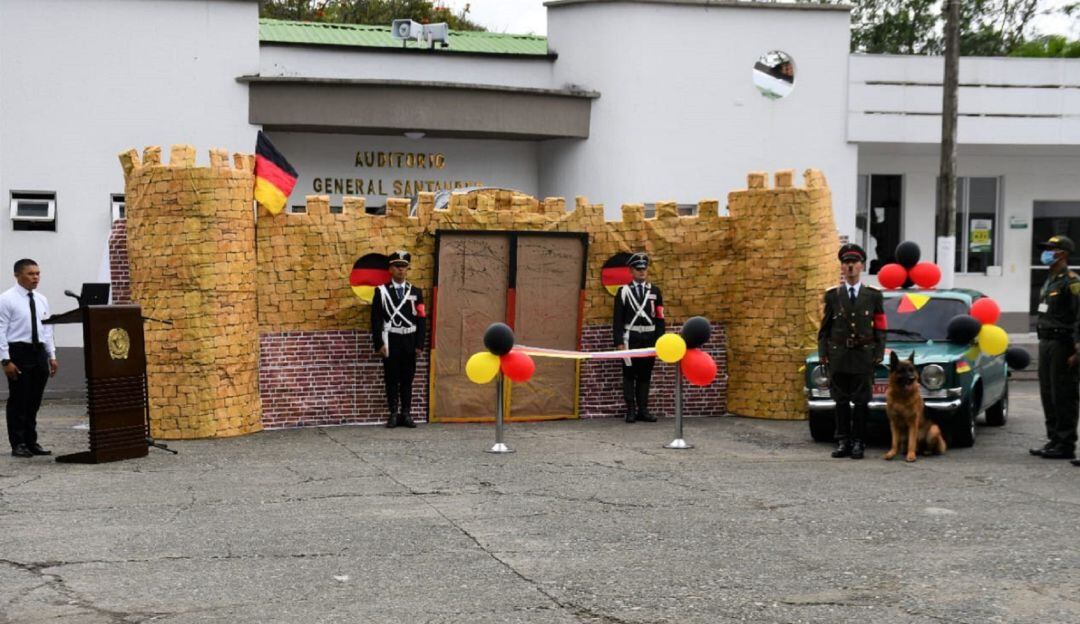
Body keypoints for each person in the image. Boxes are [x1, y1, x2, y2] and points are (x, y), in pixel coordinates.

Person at [818, 243, 886, 460]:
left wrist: (879, 352)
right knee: (840, 401)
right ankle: (843, 441)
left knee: (861, 402)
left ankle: (858, 441)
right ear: (841, 267)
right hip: (839, 355)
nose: (850, 267)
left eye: (854, 263)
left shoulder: (873, 296)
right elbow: (825, 328)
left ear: (861, 266)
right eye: (846, 263)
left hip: (863, 354)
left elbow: (881, 327)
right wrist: (823, 353)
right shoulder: (833, 296)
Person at [1028, 235, 1080, 461]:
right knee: (1048, 392)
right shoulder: (1050, 280)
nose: (1047, 252)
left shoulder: (1072, 281)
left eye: (1052, 249)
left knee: (1063, 393)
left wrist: (1078, 348)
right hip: (1046, 341)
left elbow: (1079, 316)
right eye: (1046, 248)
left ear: (1063, 254)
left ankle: (1066, 442)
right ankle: (1054, 439)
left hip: (1062, 343)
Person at [0, 259, 58, 458]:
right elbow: (0, 330)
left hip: (39, 351)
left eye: (38, 273)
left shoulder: (41, 299)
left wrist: (52, 355)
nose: (36, 278)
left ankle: (31, 441)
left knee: (34, 399)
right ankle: (18, 443)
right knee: (19, 399)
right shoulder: (6, 299)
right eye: (31, 274)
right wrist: (5, 360)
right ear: (17, 275)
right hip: (19, 351)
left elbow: (47, 328)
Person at [371, 250, 426, 429]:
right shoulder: (381, 292)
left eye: (404, 267)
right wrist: (379, 343)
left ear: (408, 269)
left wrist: (419, 344)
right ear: (390, 269)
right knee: (392, 377)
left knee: (407, 378)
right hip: (391, 339)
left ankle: (406, 413)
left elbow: (421, 318)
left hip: (409, 340)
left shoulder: (416, 292)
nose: (401, 270)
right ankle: (393, 413)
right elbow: (376, 319)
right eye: (397, 267)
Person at [613, 252, 665, 423]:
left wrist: (660, 341)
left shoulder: (655, 292)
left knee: (645, 375)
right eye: (638, 269)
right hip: (630, 339)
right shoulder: (623, 292)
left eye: (644, 269)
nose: (642, 272)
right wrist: (619, 342)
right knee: (629, 375)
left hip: (649, 339)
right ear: (631, 271)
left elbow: (660, 318)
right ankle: (631, 411)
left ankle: (643, 410)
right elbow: (617, 319)